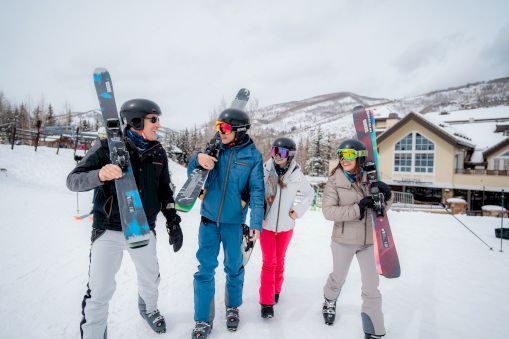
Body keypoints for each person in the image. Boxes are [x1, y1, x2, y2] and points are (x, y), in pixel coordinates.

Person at [66, 98, 183, 338]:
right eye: (154, 119)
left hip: (142, 228)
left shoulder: (158, 151)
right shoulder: (107, 146)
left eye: (158, 119)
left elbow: (164, 191)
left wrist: (173, 221)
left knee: (151, 280)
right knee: (99, 291)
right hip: (108, 229)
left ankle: (148, 309)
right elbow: (73, 180)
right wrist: (100, 174)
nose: (158, 125)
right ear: (136, 121)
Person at [188, 108, 264, 339]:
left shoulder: (253, 156)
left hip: (234, 222)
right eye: (219, 126)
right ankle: (202, 320)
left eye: (226, 127)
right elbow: (193, 172)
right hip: (209, 220)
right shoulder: (214, 148)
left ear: (239, 131)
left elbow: (258, 190)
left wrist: (256, 223)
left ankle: (232, 307)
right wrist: (196, 159)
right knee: (205, 270)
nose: (220, 131)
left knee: (234, 267)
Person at [321, 139, 393, 339]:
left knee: (371, 286)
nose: (345, 159)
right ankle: (329, 300)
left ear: (359, 157)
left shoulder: (370, 178)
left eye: (350, 155)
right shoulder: (334, 180)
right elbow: (328, 211)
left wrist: (387, 196)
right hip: (343, 240)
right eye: (342, 155)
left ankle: (374, 330)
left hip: (369, 241)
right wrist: (358, 208)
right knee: (338, 277)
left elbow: (382, 209)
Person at [259, 137, 314, 318]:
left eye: (281, 152)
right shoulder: (265, 170)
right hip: (266, 226)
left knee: (279, 261)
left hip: (286, 227)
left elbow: (309, 194)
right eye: (274, 151)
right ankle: (266, 303)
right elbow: (255, 192)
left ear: (290, 155)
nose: (276, 156)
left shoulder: (297, 174)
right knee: (269, 262)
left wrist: (297, 211)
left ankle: (276, 290)